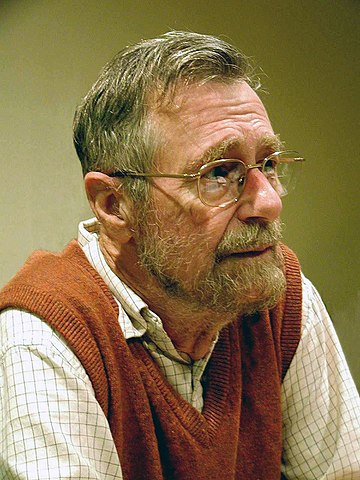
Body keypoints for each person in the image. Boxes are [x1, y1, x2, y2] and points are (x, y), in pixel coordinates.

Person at [0, 31, 359, 480]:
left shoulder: (280, 299)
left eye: (268, 163)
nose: (268, 202)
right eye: (219, 173)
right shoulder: (48, 335)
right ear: (115, 205)